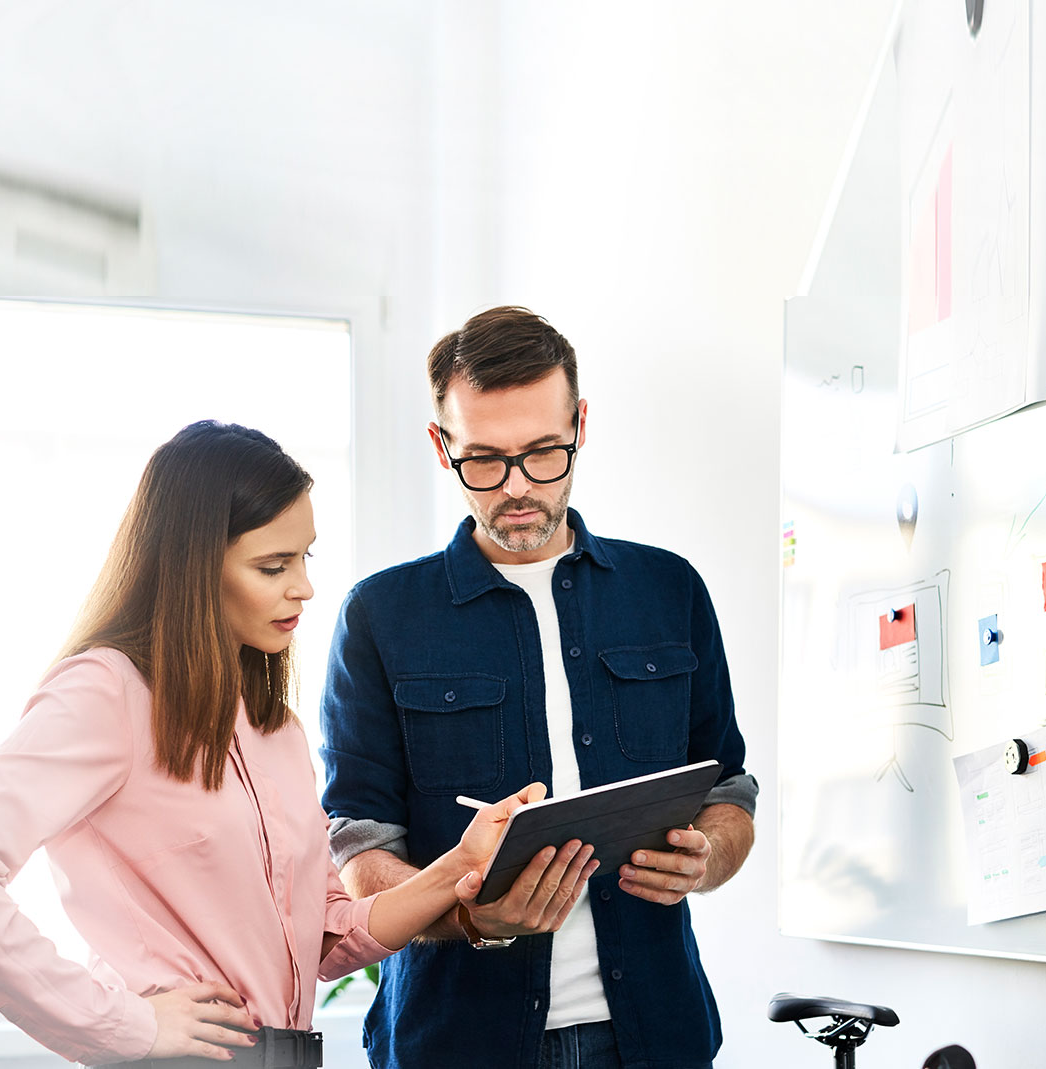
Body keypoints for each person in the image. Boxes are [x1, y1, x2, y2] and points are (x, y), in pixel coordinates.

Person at [0, 420, 599, 1068]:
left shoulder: (274, 728)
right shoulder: (105, 693)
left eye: (306, 556)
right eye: (274, 566)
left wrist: (460, 865)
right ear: (195, 564)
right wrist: (121, 1024)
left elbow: (328, 934)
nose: (305, 586)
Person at [320, 307, 760, 1069]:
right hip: (455, 1043)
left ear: (580, 425)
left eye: (543, 453)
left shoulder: (669, 589)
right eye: (485, 460)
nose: (517, 487)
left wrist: (710, 855)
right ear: (441, 445)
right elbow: (360, 847)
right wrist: (464, 908)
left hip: (657, 1037)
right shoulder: (381, 615)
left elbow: (729, 789)